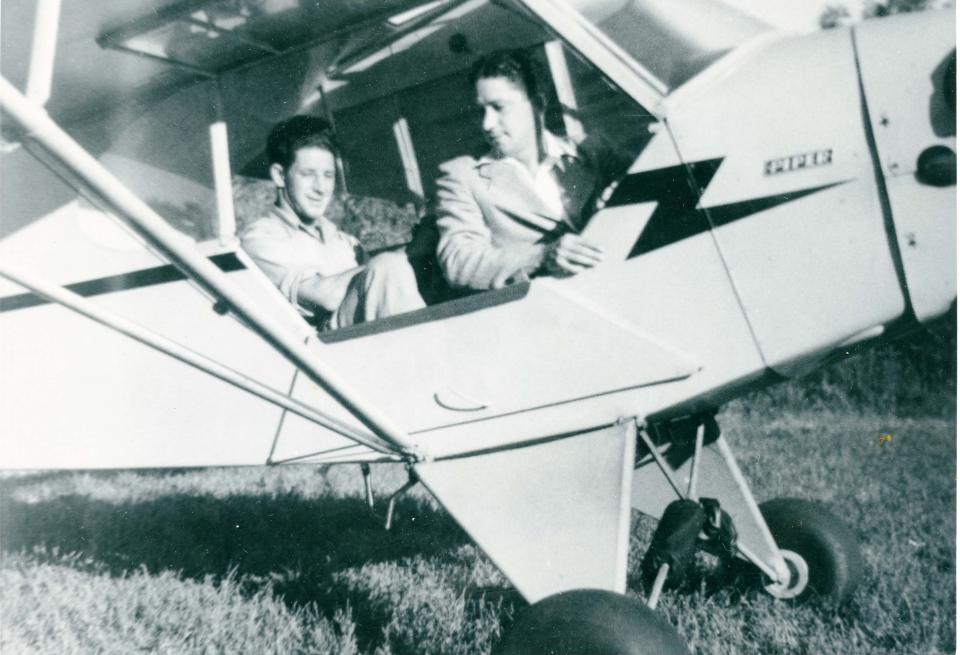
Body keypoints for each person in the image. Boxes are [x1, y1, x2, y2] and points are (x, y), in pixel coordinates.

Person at [434, 49, 611, 292]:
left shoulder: (594, 152)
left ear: (538, 104)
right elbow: (460, 262)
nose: (487, 124)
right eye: (481, 111)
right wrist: (541, 257)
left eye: (498, 107)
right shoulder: (463, 176)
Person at [241, 115, 424, 329]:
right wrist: (386, 263)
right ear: (280, 175)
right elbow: (323, 296)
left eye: (328, 176)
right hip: (314, 353)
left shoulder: (344, 241)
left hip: (360, 341)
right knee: (389, 266)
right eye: (309, 175)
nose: (321, 188)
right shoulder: (260, 239)